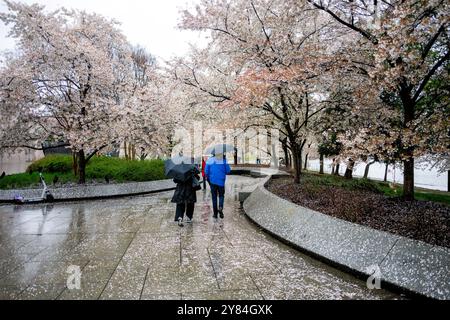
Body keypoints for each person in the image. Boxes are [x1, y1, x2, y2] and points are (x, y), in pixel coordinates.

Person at [205, 152, 231, 219]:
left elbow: (206, 171)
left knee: (214, 197)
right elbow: (228, 171)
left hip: (212, 181)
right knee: (221, 195)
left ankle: (215, 214)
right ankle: (220, 207)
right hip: (221, 182)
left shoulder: (210, 160)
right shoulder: (224, 160)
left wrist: (209, 176)